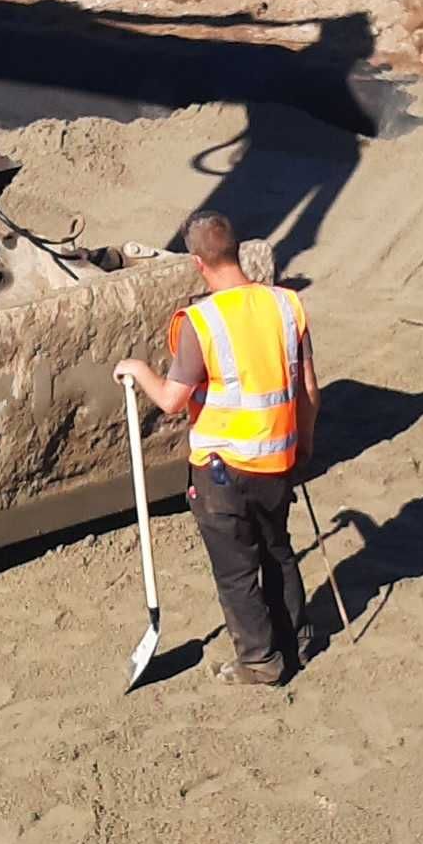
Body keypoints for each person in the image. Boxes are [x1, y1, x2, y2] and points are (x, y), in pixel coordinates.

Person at [115, 210, 320, 687]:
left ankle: (261, 661)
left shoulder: (201, 321)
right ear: (237, 249)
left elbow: (171, 400)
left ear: (197, 262)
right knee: (278, 551)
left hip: (222, 470)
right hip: (277, 458)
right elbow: (309, 387)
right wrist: (304, 444)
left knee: (236, 571)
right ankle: (299, 640)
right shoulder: (287, 305)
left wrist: (137, 369)